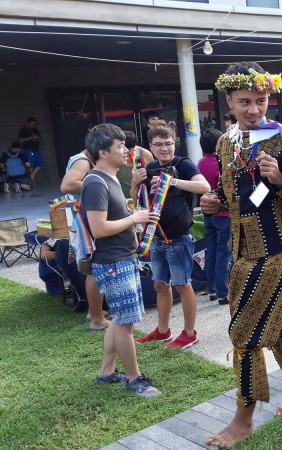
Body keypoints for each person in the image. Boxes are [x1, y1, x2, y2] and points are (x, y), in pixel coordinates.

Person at [201, 62, 282, 448]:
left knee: (244, 334)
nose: (255, 109)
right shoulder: (224, 143)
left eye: (261, 100)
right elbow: (234, 196)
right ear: (229, 102)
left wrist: (281, 181)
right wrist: (213, 203)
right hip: (242, 251)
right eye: (245, 101)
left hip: (278, 249)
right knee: (273, 324)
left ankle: (243, 418)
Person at [81, 123, 161, 396]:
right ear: (103, 152)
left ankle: (106, 372)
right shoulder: (95, 182)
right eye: (120, 146)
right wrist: (134, 218)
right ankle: (134, 378)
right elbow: (99, 228)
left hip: (123, 258)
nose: (127, 151)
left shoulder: (111, 177)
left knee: (119, 320)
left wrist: (134, 208)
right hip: (113, 262)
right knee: (126, 323)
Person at [132, 125, 210, 349]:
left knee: (183, 285)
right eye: (159, 144)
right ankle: (163, 330)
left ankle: (189, 333)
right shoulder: (151, 167)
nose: (164, 148)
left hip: (178, 238)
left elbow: (204, 186)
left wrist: (172, 182)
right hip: (156, 237)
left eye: (168, 143)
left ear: (174, 143)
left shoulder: (182, 164)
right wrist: (136, 183)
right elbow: (138, 198)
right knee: (159, 284)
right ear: (151, 147)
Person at [61, 147, 110, 331]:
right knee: (94, 270)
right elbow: (67, 185)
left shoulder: (82, 159)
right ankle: (96, 318)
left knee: (93, 270)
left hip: (83, 221)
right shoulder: (82, 161)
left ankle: (94, 312)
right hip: (85, 223)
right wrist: (101, 183)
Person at [198, 128, 232, 305]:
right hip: (222, 211)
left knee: (210, 250)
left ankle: (211, 289)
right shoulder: (221, 162)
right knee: (223, 252)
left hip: (207, 211)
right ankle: (223, 292)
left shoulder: (201, 162)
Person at [118, 131, 154, 197]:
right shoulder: (116, 155)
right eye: (123, 148)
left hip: (143, 196)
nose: (127, 151)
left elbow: (152, 175)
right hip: (123, 197)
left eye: (131, 149)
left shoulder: (145, 154)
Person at [18, 117, 44, 182]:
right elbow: (21, 140)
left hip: (35, 149)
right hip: (27, 150)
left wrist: (38, 138)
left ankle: (31, 176)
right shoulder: (23, 130)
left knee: (40, 163)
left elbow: (39, 139)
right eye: (31, 124)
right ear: (28, 123)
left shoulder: (35, 130)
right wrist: (31, 137)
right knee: (31, 165)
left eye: (34, 124)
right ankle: (30, 179)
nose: (33, 125)